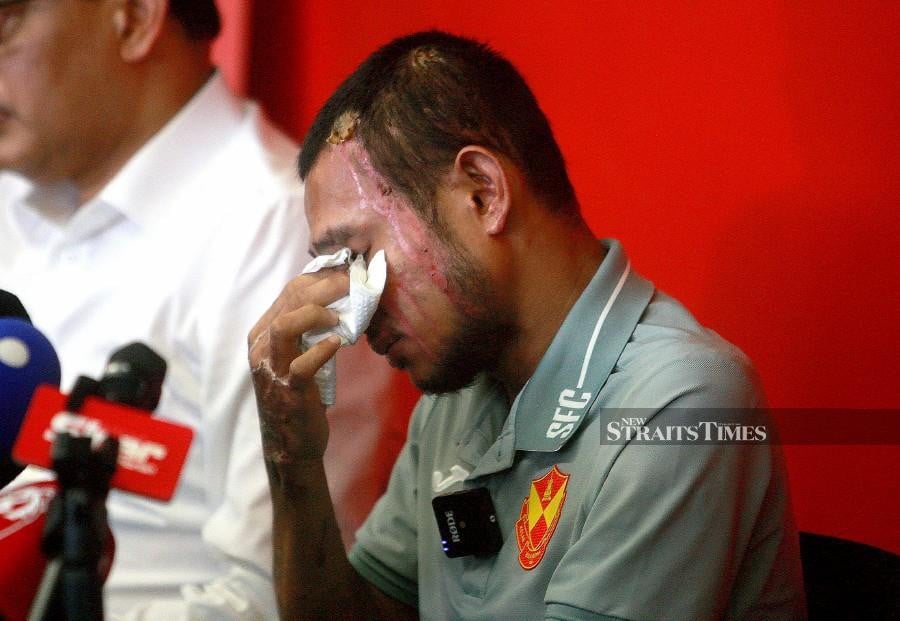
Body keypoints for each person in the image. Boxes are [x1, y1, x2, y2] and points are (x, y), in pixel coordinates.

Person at [249, 31, 808, 620]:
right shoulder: (453, 399)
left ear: (482, 193)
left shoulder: (682, 404)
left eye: (360, 255)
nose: (354, 316)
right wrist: (293, 459)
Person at [0, 0, 401, 618]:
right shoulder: (12, 197)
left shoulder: (286, 234)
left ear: (133, 18)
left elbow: (278, 596)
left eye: (5, 19)